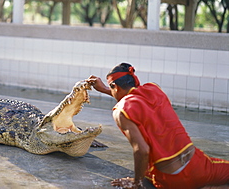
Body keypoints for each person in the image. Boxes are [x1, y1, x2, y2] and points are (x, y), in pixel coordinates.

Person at [87, 63, 229, 188]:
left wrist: (137, 182)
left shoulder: (120, 111)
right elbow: (133, 95)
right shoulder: (154, 88)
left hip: (172, 178)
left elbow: (142, 150)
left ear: (114, 87)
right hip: (197, 166)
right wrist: (106, 89)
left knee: (150, 170)